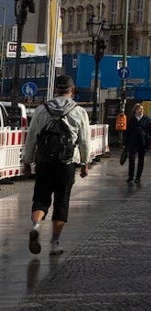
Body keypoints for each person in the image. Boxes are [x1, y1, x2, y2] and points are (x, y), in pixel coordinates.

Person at [21, 74, 91, 256]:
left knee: (41, 198)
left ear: (55, 90)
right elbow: (84, 141)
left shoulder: (41, 109)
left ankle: (36, 225)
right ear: (72, 91)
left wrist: (27, 161)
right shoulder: (79, 111)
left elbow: (32, 137)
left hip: (44, 161)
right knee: (62, 202)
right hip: (66, 163)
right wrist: (85, 163)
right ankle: (55, 243)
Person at [124, 102, 151, 184]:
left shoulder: (146, 119)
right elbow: (128, 131)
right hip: (133, 141)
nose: (140, 111)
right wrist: (125, 143)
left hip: (142, 141)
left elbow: (149, 130)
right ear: (135, 110)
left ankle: (138, 177)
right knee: (132, 160)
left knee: (141, 160)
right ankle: (130, 176)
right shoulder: (132, 119)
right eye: (139, 109)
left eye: (142, 109)